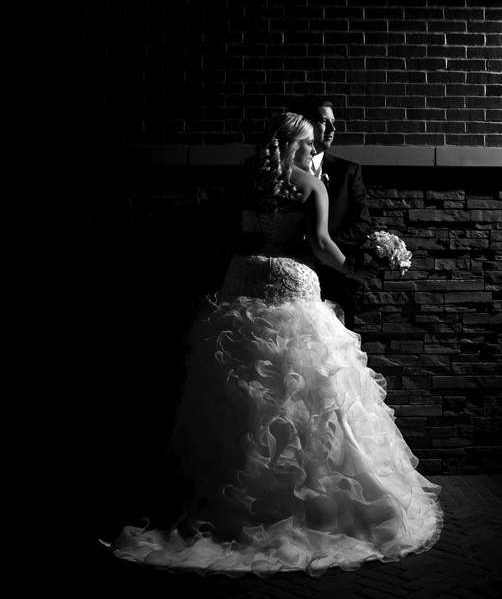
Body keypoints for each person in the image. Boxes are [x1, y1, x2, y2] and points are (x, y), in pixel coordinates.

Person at [105, 112, 442, 577]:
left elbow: (237, 236)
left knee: (241, 391)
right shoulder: (310, 184)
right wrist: (356, 270)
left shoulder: (249, 180)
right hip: (289, 283)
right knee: (304, 390)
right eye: (306, 144)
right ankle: (307, 501)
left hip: (243, 280)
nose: (311, 150)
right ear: (293, 144)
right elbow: (321, 245)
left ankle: (231, 494)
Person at [289, 95, 372, 330]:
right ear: (304, 124)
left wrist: (316, 248)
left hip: (335, 281)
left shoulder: (348, 171)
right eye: (325, 122)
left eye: (334, 122)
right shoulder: (278, 174)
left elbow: (361, 226)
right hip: (288, 283)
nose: (333, 129)